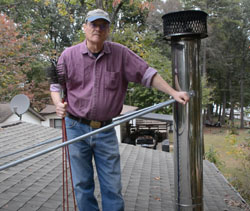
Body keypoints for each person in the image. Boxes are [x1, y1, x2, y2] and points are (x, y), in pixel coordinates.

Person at [50, 9, 189, 211]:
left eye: (102, 25)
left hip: (105, 129)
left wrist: (173, 93)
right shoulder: (68, 56)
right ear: (84, 27)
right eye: (93, 24)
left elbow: (147, 74)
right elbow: (56, 85)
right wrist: (57, 104)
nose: (97, 29)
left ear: (107, 30)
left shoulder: (120, 54)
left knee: (112, 186)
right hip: (75, 126)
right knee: (82, 185)